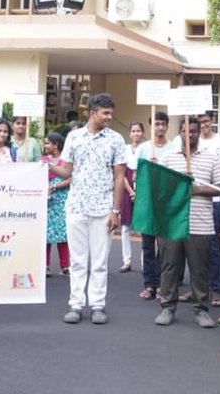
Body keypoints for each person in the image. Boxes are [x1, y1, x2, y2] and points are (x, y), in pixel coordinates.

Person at [53, 92, 126, 325]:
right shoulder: (73, 137)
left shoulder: (116, 139)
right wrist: (47, 164)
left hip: (103, 208)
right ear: (92, 112)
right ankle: (75, 305)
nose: (109, 117)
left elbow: (119, 177)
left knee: (100, 261)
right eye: (105, 113)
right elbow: (67, 171)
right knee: (77, 260)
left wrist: (115, 211)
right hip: (76, 205)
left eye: (110, 113)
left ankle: (97, 305)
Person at [154, 116, 220, 329]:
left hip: (201, 222)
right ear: (180, 133)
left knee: (200, 268)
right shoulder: (168, 158)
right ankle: (167, 307)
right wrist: (179, 187)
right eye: (186, 131)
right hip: (172, 222)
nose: (191, 135)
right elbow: (160, 189)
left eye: (194, 131)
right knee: (169, 266)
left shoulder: (210, 158)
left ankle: (201, 310)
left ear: (199, 133)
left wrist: (195, 189)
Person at [136, 111, 171, 300]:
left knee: (164, 246)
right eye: (157, 124)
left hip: (165, 204)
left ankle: (161, 283)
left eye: (163, 124)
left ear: (167, 126)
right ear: (151, 126)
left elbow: (176, 175)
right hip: (147, 204)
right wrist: (148, 168)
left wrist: (161, 169)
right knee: (147, 246)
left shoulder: (173, 148)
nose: (160, 127)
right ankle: (149, 284)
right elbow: (135, 176)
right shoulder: (143, 149)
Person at [198, 110, 220, 306]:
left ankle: (215, 288)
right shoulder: (188, 140)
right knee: (194, 246)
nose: (203, 125)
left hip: (215, 200)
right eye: (200, 122)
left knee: (214, 245)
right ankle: (198, 288)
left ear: (213, 121)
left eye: (206, 121)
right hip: (193, 199)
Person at [118, 121, 145, 273]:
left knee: (143, 227)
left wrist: (139, 193)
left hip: (143, 190)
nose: (136, 133)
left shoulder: (146, 148)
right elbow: (122, 174)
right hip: (127, 189)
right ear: (130, 133)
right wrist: (131, 192)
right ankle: (126, 260)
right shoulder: (125, 149)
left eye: (138, 131)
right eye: (133, 131)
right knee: (125, 226)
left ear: (142, 132)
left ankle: (144, 261)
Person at [43, 131, 71, 276]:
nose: (45, 145)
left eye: (48, 143)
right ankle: (45, 266)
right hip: (46, 201)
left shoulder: (66, 161)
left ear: (56, 145)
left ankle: (65, 266)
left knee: (63, 233)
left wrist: (54, 187)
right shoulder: (43, 160)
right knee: (46, 234)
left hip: (61, 200)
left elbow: (71, 179)